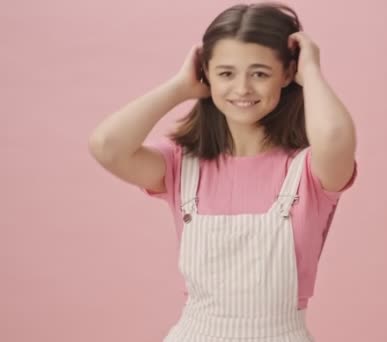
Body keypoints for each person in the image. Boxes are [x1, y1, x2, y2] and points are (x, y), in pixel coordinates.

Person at [88, 2, 357, 341]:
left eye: (259, 73)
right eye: (226, 73)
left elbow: (333, 134)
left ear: (288, 74)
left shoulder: (310, 171)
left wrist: (313, 71)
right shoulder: (180, 164)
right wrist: (179, 87)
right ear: (206, 74)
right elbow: (106, 145)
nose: (242, 88)